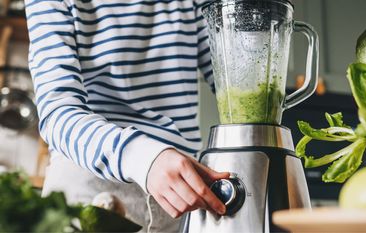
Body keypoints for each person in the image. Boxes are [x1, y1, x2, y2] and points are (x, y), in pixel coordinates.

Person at [25, 0, 229, 231]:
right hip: (88, 194)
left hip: (180, 198)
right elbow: (57, 114)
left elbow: (235, 76)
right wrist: (143, 158)